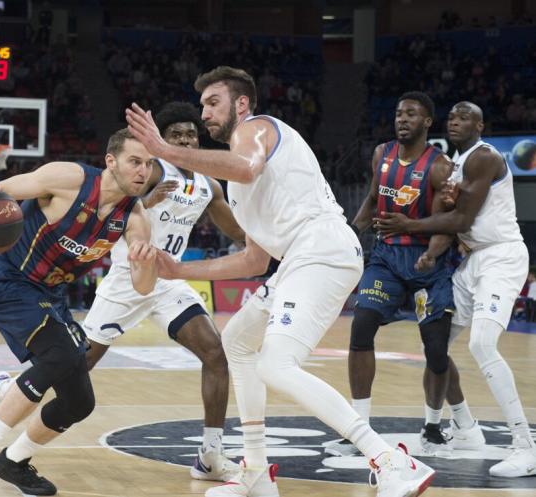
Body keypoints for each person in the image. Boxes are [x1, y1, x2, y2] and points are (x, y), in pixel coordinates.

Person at [127, 66, 435, 497]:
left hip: (321, 249)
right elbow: (255, 259)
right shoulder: (236, 186)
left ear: (241, 104)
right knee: (236, 341)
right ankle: (253, 470)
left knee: (275, 364)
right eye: (201, 107)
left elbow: (247, 167)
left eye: (212, 103)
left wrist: (165, 150)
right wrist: (181, 271)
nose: (205, 114)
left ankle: (388, 459)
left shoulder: (255, 130)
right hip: (298, 259)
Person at [0, 101, 246, 482]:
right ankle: (8, 388)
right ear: (161, 143)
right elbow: (119, 196)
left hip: (167, 280)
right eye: (176, 135)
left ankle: (210, 455)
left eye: (190, 134)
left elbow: (238, 233)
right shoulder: (148, 169)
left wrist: (273, 241)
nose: (186, 139)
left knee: (215, 352)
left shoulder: (207, 185)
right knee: (74, 366)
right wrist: (148, 199)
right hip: (125, 278)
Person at [0, 129, 158, 497]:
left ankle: (13, 460)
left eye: (150, 164)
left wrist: (145, 263)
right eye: (135, 161)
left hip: (51, 294)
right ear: (111, 161)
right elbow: (4, 190)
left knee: (80, 401)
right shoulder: (70, 179)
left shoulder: (135, 215)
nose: (144, 171)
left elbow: (143, 286)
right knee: (59, 354)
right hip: (9, 279)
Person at [374, 101, 536, 478]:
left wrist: (405, 225)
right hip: (473, 258)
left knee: (482, 344)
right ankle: (463, 427)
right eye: (452, 117)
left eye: (465, 118)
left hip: (501, 256)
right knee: (436, 345)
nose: (456, 122)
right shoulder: (460, 164)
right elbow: (455, 216)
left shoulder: (483, 158)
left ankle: (525, 446)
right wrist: (435, 242)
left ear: (481, 124)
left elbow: (461, 218)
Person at [326, 92, 483, 459]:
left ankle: (432, 427)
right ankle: (358, 427)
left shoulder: (441, 167)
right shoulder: (381, 154)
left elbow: (451, 221)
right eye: (398, 113)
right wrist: (350, 231)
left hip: (427, 263)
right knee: (361, 328)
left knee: (435, 350)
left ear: (427, 122)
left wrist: (431, 254)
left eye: (411, 114)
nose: (402, 119)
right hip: (386, 257)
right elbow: (371, 198)